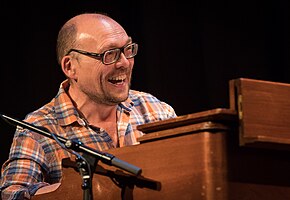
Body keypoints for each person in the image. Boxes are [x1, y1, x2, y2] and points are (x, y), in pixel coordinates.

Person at [0, 12, 177, 199]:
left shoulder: (155, 109)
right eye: (110, 54)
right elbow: (13, 194)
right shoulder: (38, 128)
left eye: (128, 49)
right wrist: (80, 188)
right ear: (70, 67)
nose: (125, 62)